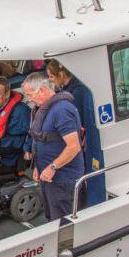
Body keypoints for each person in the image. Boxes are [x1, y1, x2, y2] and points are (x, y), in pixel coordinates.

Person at [23, 72, 85, 221]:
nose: (29, 99)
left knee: (64, 221)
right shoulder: (45, 109)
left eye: (30, 95)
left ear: (42, 90)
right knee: (52, 216)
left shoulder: (62, 110)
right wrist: (38, 166)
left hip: (62, 180)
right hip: (49, 178)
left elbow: (73, 146)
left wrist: (52, 168)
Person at [46, 60, 105, 207]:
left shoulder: (78, 92)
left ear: (60, 74)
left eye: (51, 77)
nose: (50, 80)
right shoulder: (67, 90)